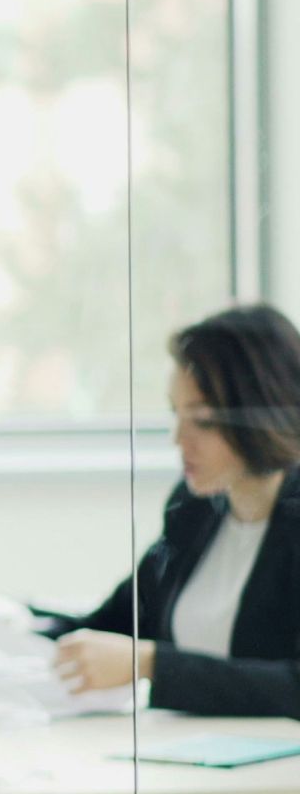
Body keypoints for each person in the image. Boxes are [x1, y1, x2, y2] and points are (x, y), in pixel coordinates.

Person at [47, 304, 300, 718]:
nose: (178, 439)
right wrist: (12, 625)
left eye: (202, 421)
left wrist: (151, 664)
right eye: (175, 414)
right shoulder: (196, 509)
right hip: (187, 748)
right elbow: (114, 622)